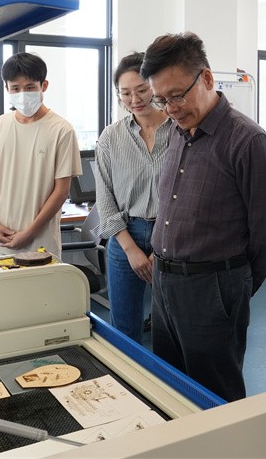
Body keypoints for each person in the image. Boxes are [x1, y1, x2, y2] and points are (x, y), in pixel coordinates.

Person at [140, 32, 266, 402]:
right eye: (161, 99)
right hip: (164, 283)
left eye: (177, 95)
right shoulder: (175, 133)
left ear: (206, 78)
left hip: (212, 288)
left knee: (215, 396)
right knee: (170, 388)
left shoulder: (247, 141)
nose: (170, 108)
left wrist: (234, 291)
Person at [93, 52, 172, 344]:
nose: (134, 99)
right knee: (124, 329)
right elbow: (105, 197)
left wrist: (160, 247)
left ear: (155, 87)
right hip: (126, 234)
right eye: (125, 93)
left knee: (172, 327)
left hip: (173, 235)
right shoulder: (111, 137)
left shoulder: (180, 131)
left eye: (141, 89)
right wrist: (131, 250)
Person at [0, 52, 82, 258]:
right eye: (15, 88)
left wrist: (30, 232)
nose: (22, 93)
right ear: (7, 88)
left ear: (44, 85)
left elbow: (61, 191)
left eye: (30, 87)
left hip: (40, 243)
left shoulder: (62, 130)